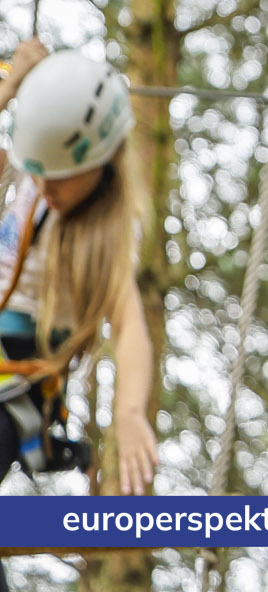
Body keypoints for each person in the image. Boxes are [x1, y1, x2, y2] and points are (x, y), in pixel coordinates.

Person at [0, 39, 158, 525]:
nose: (45, 188)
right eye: (38, 173)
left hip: (17, 376)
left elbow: (129, 324)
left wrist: (130, 412)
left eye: (62, 178)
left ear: (103, 162)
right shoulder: (34, 168)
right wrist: (11, 87)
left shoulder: (109, 233)